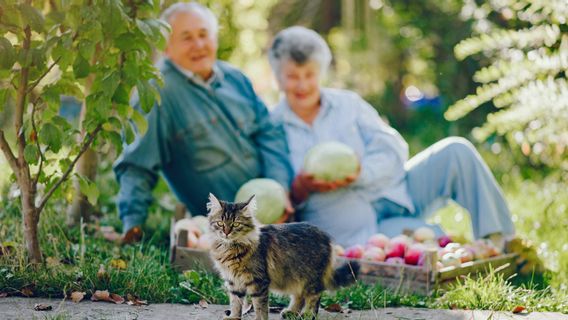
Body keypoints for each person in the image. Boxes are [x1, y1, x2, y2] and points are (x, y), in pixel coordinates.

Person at [269, 26, 515, 249]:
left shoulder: (348, 105)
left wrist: (361, 173)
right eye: (293, 76)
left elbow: (393, 147)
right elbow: (279, 194)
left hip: (396, 191)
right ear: (279, 78)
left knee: (456, 151)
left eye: (309, 75)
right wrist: (299, 189)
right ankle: (425, 237)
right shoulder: (273, 126)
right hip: (353, 224)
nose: (302, 85)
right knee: (426, 244)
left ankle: (501, 242)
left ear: (320, 73)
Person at [114, 2, 294, 243]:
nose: (198, 45)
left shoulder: (235, 78)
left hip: (275, 218)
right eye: (186, 37)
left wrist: (279, 189)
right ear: (166, 46)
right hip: (227, 231)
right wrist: (132, 226)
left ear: (215, 39)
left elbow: (269, 133)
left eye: (203, 34)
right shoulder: (158, 93)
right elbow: (136, 165)